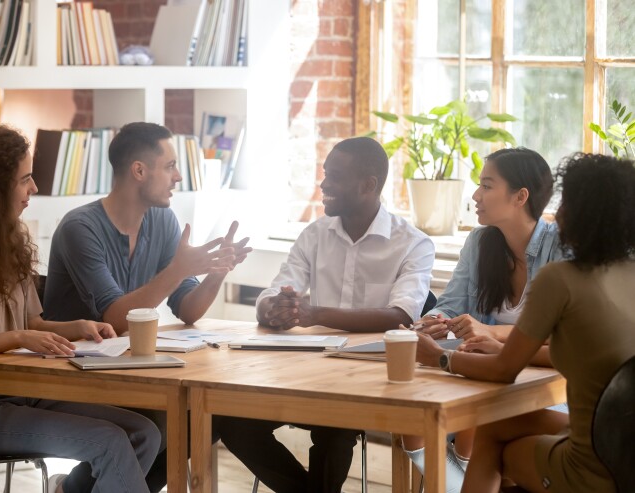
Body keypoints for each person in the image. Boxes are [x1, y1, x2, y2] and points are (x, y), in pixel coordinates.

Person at [0, 126, 161, 493]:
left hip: (24, 390)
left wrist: (80, 326)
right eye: (25, 179)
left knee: (144, 433)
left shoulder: (11, 241)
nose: (34, 188)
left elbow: (33, 322)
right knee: (109, 442)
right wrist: (16, 337)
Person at [217, 137, 435, 493]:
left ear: (369, 185)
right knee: (232, 420)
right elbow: (275, 291)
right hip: (307, 374)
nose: (323, 185)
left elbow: (401, 316)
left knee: (334, 424)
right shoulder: (315, 234)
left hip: (373, 380)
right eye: (324, 175)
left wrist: (314, 313)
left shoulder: (413, 243)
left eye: (334, 177)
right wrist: (274, 308)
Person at [42, 121, 251, 492]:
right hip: (73, 371)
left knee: (210, 418)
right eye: (170, 165)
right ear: (139, 170)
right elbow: (115, 319)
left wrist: (219, 271)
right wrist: (178, 268)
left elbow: (187, 308)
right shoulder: (80, 228)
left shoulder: (162, 220)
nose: (178, 176)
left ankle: (75, 490)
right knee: (158, 421)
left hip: (127, 368)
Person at [415, 153, 635, 493]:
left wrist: (439, 357)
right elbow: (580, 352)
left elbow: (505, 369)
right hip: (623, 443)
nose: (557, 213)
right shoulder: (627, 274)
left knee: (494, 438)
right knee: (496, 425)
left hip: (596, 461)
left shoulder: (560, 276)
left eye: (566, 203)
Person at [400, 147, 563, 492]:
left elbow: (562, 336)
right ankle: (460, 475)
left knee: (476, 421)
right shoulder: (479, 242)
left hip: (543, 386)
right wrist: (433, 322)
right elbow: (449, 304)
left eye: (487, 186)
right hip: (482, 375)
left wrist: (491, 331)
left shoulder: (560, 248)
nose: (475, 195)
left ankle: (461, 473)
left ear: (521, 196)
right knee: (410, 413)